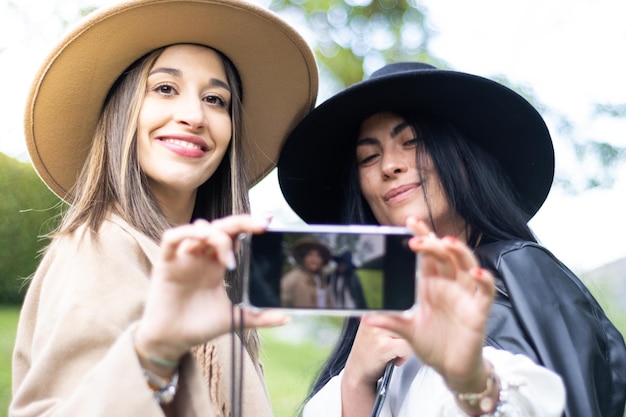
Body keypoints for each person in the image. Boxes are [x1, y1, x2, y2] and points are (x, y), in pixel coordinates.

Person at [10, 0, 318, 416]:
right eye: (165, 88)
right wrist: (153, 355)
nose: (194, 115)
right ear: (123, 115)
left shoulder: (209, 278)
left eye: (215, 99)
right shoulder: (102, 247)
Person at [277, 62, 626, 417]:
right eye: (369, 157)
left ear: (461, 158)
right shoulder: (371, 330)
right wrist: (356, 385)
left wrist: (470, 378)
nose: (389, 166)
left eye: (411, 141)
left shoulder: (518, 271)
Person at [280, 238, 333, 308]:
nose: (314, 259)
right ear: (303, 258)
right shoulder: (294, 277)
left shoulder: (321, 279)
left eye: (319, 255)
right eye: (309, 254)